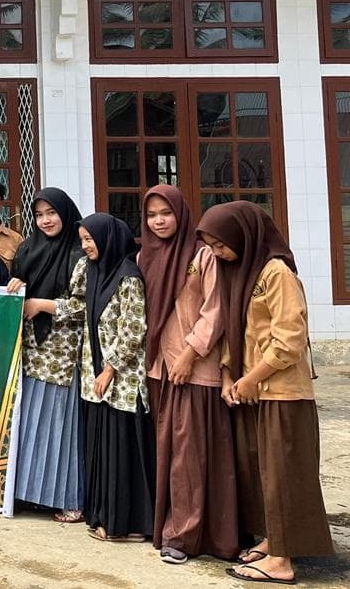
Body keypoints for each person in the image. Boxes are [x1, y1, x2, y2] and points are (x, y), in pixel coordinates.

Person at [197, 202, 334, 585]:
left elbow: (289, 340)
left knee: (283, 475)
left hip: (283, 393)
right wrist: (229, 377)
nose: (217, 253)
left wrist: (253, 378)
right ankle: (275, 541)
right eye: (211, 247)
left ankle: (281, 561)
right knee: (261, 473)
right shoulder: (242, 272)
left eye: (221, 245)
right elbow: (235, 331)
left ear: (243, 235)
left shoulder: (277, 273)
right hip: (252, 392)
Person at [139, 186, 237, 565]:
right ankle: (169, 527)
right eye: (151, 215)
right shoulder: (144, 256)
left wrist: (190, 353)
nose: (158, 221)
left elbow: (216, 310)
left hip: (193, 370)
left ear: (181, 214)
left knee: (189, 456)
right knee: (166, 454)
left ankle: (183, 537)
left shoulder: (202, 256)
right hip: (158, 369)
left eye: (166, 213)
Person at [52, 213, 154, 542]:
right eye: (82, 240)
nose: (85, 246)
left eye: (89, 239)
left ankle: (127, 525)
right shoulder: (91, 270)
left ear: (107, 238)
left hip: (121, 382)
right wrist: (41, 305)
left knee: (121, 452)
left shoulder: (128, 277)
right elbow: (78, 308)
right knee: (101, 451)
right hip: (93, 376)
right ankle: (103, 518)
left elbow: (134, 329)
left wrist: (110, 368)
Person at [6, 188, 87, 523]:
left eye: (51, 213)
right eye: (39, 215)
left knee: (59, 427)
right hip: (30, 350)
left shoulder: (80, 252)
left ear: (65, 213)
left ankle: (68, 498)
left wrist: (43, 304)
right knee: (30, 423)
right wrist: (15, 286)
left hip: (63, 353)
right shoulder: (27, 249)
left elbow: (86, 305)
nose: (46, 220)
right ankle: (28, 495)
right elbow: (17, 288)